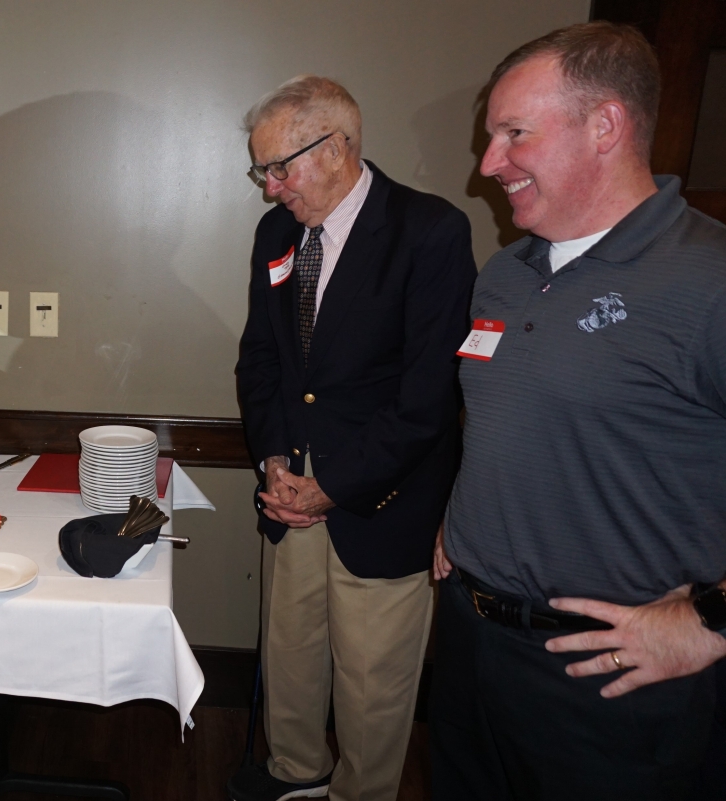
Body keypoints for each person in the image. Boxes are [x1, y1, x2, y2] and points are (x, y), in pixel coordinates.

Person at [431, 22, 726, 800]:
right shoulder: (503, 273)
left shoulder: (710, 280)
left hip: (608, 682)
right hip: (469, 646)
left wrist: (712, 619)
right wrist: (465, 515)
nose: (487, 164)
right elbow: (513, 417)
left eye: (513, 133)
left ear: (605, 125)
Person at [233, 76, 476, 801]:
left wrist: (333, 486)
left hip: (381, 501)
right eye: (262, 171)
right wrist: (274, 462)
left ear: (336, 148)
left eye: (280, 168)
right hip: (291, 493)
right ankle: (296, 773)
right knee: (291, 655)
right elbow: (261, 361)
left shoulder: (429, 231)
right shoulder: (276, 236)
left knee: (373, 683)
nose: (271, 188)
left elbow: (429, 397)